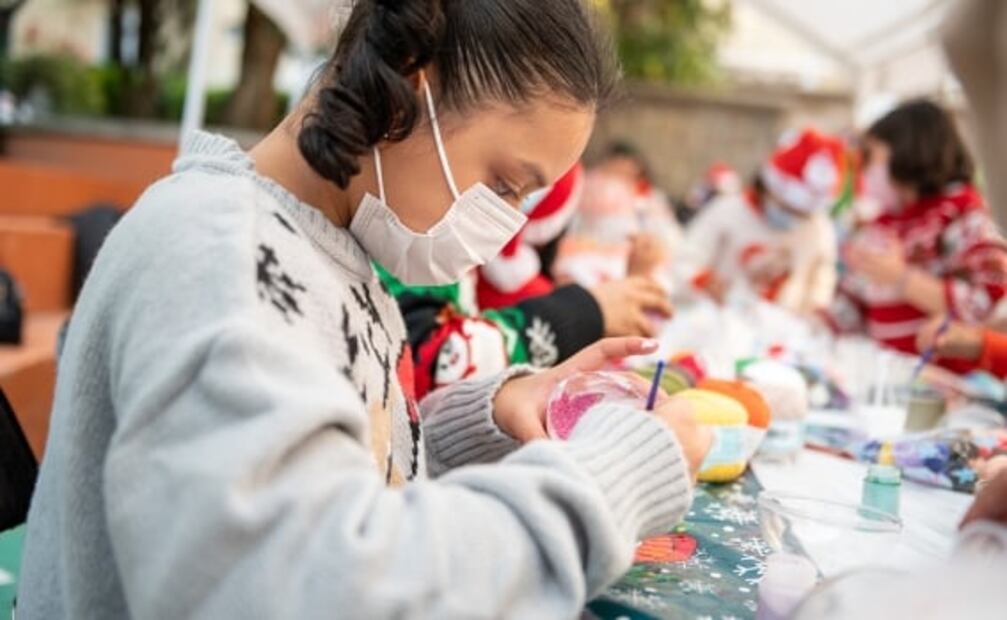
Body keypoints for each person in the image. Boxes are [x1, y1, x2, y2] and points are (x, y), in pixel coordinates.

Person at [16, 2, 712, 618]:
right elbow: (306, 585)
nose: (503, 225)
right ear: (410, 81)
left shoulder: (328, 251)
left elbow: (342, 479)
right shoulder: (221, 261)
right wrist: (607, 481)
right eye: (502, 184)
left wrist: (485, 419)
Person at [381, 164, 673, 399]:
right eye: (506, 184)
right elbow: (431, 360)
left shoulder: (444, 248)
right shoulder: (409, 242)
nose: (515, 208)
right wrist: (583, 313)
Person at [827, 100, 1007, 366]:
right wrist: (814, 320)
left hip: (946, 386)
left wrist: (903, 279)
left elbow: (990, 307)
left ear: (907, 151)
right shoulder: (885, 223)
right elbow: (853, 305)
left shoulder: (964, 218)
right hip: (888, 379)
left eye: (872, 156)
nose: (865, 169)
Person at [675, 129, 843, 314]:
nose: (791, 218)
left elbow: (822, 283)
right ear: (767, 189)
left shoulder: (818, 230)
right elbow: (684, 261)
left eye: (800, 214)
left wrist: (815, 309)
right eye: (785, 208)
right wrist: (702, 281)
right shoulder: (728, 209)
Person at [553, 142, 682, 290]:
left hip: (635, 253)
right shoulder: (593, 184)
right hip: (593, 250)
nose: (624, 169)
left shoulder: (650, 196)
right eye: (618, 163)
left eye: (629, 165)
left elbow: (668, 233)